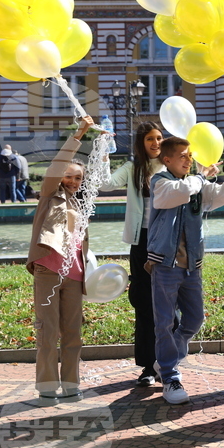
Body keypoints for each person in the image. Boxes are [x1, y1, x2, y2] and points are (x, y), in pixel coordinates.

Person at [146, 136, 224, 404]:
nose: (188, 159)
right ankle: (170, 376)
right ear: (167, 160)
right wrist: (201, 176)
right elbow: (179, 193)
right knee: (164, 323)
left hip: (191, 265)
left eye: (189, 155)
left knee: (194, 320)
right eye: (182, 156)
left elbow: (219, 195)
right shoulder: (160, 183)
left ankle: (166, 360)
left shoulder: (194, 185)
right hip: (164, 264)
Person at [25, 116, 95, 406]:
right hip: (48, 270)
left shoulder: (79, 202)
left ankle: (70, 385)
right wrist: (79, 135)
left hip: (75, 274)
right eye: (69, 176)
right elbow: (56, 167)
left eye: (78, 177)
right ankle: (46, 387)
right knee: (48, 330)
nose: (73, 181)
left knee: (73, 333)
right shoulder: (48, 195)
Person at [98, 121, 166, 387]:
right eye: (150, 139)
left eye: (159, 138)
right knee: (143, 302)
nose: (156, 143)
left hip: (168, 243)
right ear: (141, 142)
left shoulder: (171, 165)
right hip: (142, 242)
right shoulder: (133, 168)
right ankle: (148, 367)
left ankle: (167, 363)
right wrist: (104, 154)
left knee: (169, 304)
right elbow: (106, 184)